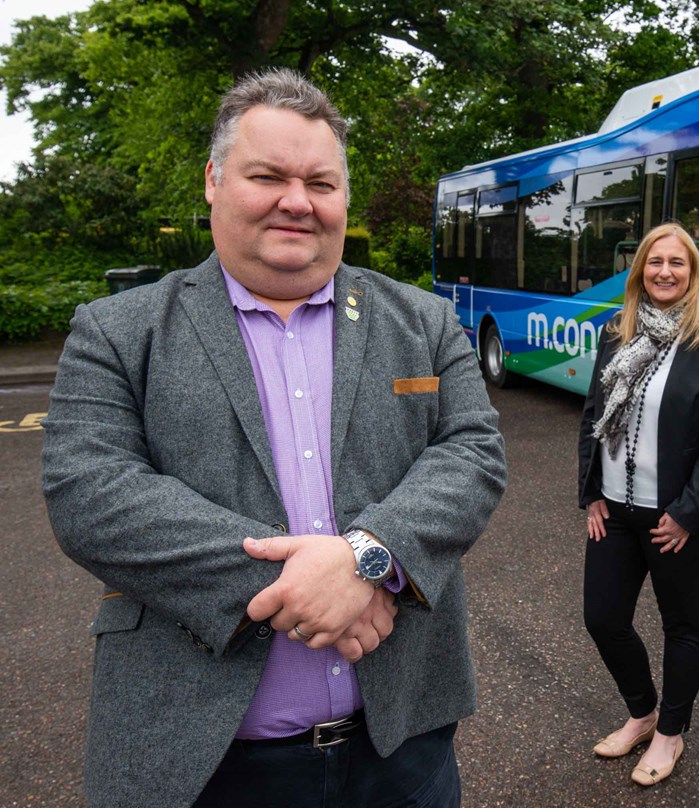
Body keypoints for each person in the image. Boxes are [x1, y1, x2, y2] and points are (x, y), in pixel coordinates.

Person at [41, 68, 507, 808]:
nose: (298, 201)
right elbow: (91, 495)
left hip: (403, 746)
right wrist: (312, 585)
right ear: (214, 181)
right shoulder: (119, 331)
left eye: (321, 183)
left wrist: (365, 557)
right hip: (205, 760)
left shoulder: (424, 320)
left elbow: (473, 455)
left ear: (344, 197)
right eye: (268, 176)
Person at [577, 223, 699, 787]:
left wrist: (690, 510)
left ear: (694, 274)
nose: (665, 272)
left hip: (675, 516)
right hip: (616, 511)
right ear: (640, 270)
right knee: (602, 617)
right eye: (655, 262)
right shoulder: (616, 333)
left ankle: (671, 732)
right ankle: (643, 712)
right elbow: (593, 416)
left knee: (682, 624)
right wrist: (591, 492)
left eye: (677, 263)